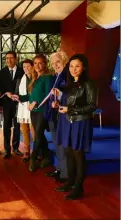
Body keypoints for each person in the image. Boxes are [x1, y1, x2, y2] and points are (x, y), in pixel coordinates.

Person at [53, 54, 97, 200]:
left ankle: (79, 188)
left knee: (78, 155)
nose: (74, 69)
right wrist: (58, 105)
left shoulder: (89, 84)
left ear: (83, 67)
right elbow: (68, 103)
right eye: (71, 66)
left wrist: (70, 110)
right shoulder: (69, 84)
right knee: (69, 154)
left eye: (77, 66)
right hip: (67, 122)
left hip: (80, 123)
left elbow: (92, 106)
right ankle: (70, 182)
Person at [13, 54, 51, 172]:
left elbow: (49, 95)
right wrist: (18, 96)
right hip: (33, 112)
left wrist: (35, 102)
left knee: (38, 135)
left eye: (40, 63)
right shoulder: (35, 78)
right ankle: (46, 156)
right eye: (35, 63)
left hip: (42, 111)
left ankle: (33, 158)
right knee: (40, 135)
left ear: (45, 63)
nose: (38, 65)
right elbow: (30, 96)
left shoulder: (48, 77)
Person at [44, 51, 69, 182]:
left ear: (64, 60)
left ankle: (65, 174)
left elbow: (70, 96)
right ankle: (59, 169)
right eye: (53, 63)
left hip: (62, 117)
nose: (55, 65)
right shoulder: (56, 76)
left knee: (62, 147)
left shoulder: (68, 76)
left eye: (57, 62)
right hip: (53, 116)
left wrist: (59, 96)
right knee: (57, 145)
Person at [0, 51, 24, 159]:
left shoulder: (22, 71)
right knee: (6, 127)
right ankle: (7, 149)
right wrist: (6, 93)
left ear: (16, 59)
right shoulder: (2, 72)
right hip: (7, 103)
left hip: (19, 103)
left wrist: (18, 95)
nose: (8, 60)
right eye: (7, 58)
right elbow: (0, 87)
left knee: (17, 127)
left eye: (11, 58)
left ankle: (16, 148)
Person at [15, 59, 35, 162]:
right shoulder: (21, 79)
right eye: (24, 67)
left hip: (33, 107)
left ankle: (37, 151)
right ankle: (26, 151)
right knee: (24, 131)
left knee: (34, 131)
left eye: (28, 66)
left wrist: (21, 97)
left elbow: (32, 95)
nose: (26, 69)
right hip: (23, 108)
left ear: (32, 66)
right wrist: (15, 96)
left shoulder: (36, 78)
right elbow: (18, 92)